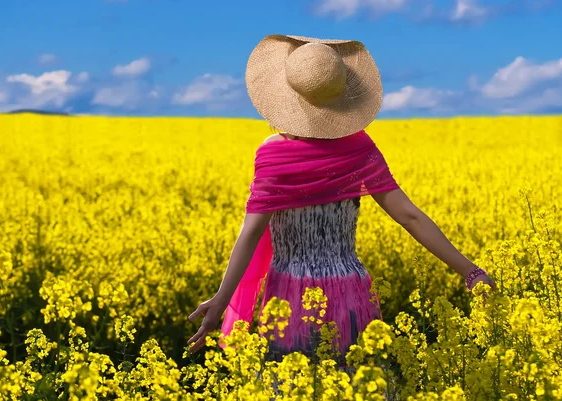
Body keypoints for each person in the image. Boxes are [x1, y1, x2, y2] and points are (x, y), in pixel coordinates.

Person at [187, 34, 497, 372]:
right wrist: (470, 271)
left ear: (290, 97)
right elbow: (409, 216)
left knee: (294, 387)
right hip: (350, 291)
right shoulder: (359, 149)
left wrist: (222, 301)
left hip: (289, 294)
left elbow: (250, 234)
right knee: (357, 383)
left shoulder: (273, 154)